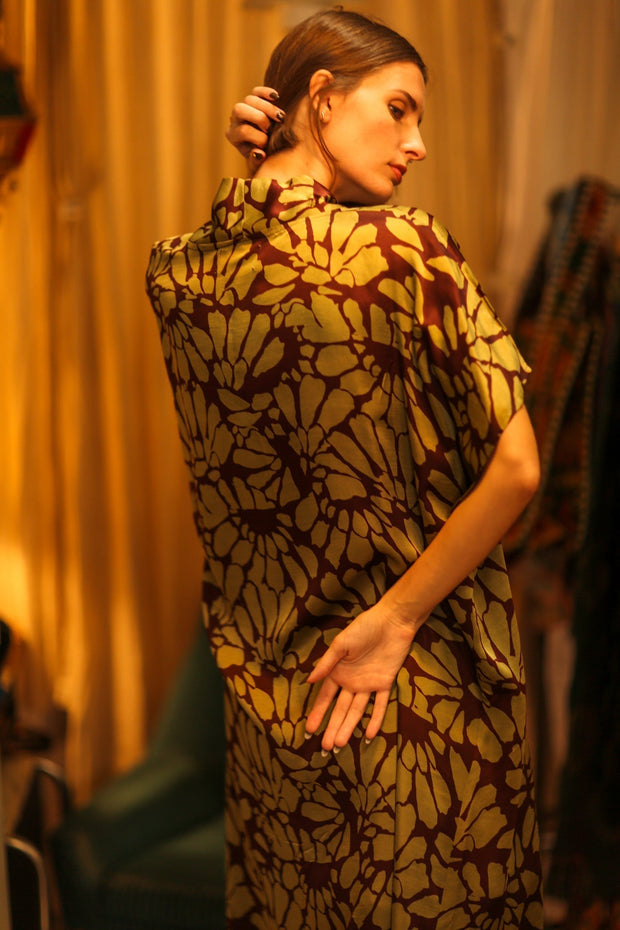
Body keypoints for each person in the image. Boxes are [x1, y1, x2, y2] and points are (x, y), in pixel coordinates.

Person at [146, 9, 543, 930]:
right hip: (423, 696)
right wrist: (396, 619)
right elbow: (518, 470)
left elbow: (262, 264)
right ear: (320, 98)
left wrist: (262, 171)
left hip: (275, 713)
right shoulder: (409, 250)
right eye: (399, 109)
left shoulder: (176, 276)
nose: (418, 143)